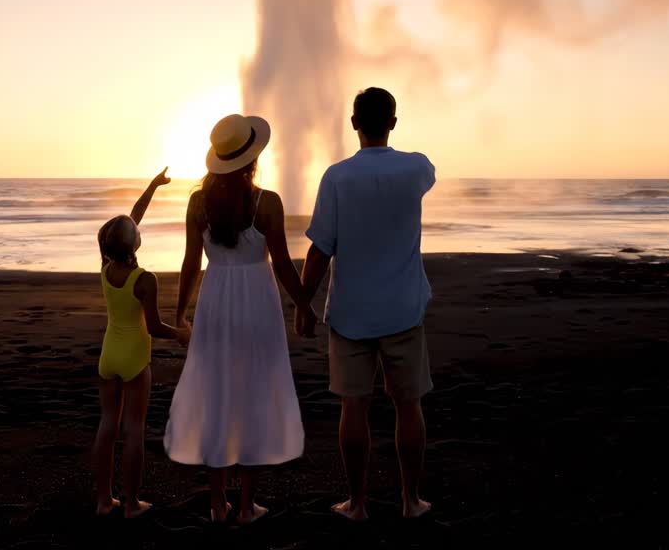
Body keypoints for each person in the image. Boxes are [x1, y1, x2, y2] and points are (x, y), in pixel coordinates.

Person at [299, 87, 436, 521]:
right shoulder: (416, 168)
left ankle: (357, 503)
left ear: (353, 122)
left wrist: (304, 303)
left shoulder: (336, 177)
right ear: (393, 122)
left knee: (353, 407)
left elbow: (320, 250)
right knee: (408, 404)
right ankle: (410, 501)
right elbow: (428, 172)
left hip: (351, 313)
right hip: (402, 309)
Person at [164, 114, 309, 524]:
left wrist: (180, 314)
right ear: (252, 159)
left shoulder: (198, 203)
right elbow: (281, 264)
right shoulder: (267, 202)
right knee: (251, 398)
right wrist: (303, 303)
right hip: (257, 304)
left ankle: (216, 504)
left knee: (217, 396)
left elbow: (192, 263)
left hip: (215, 303)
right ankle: (246, 506)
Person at [91, 168, 191, 518]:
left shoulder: (105, 266)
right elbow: (154, 326)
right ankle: (132, 504)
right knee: (134, 431)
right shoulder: (143, 279)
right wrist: (180, 333)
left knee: (107, 426)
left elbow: (132, 218)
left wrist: (152, 186)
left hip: (108, 356)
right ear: (135, 243)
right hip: (135, 358)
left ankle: (105, 501)